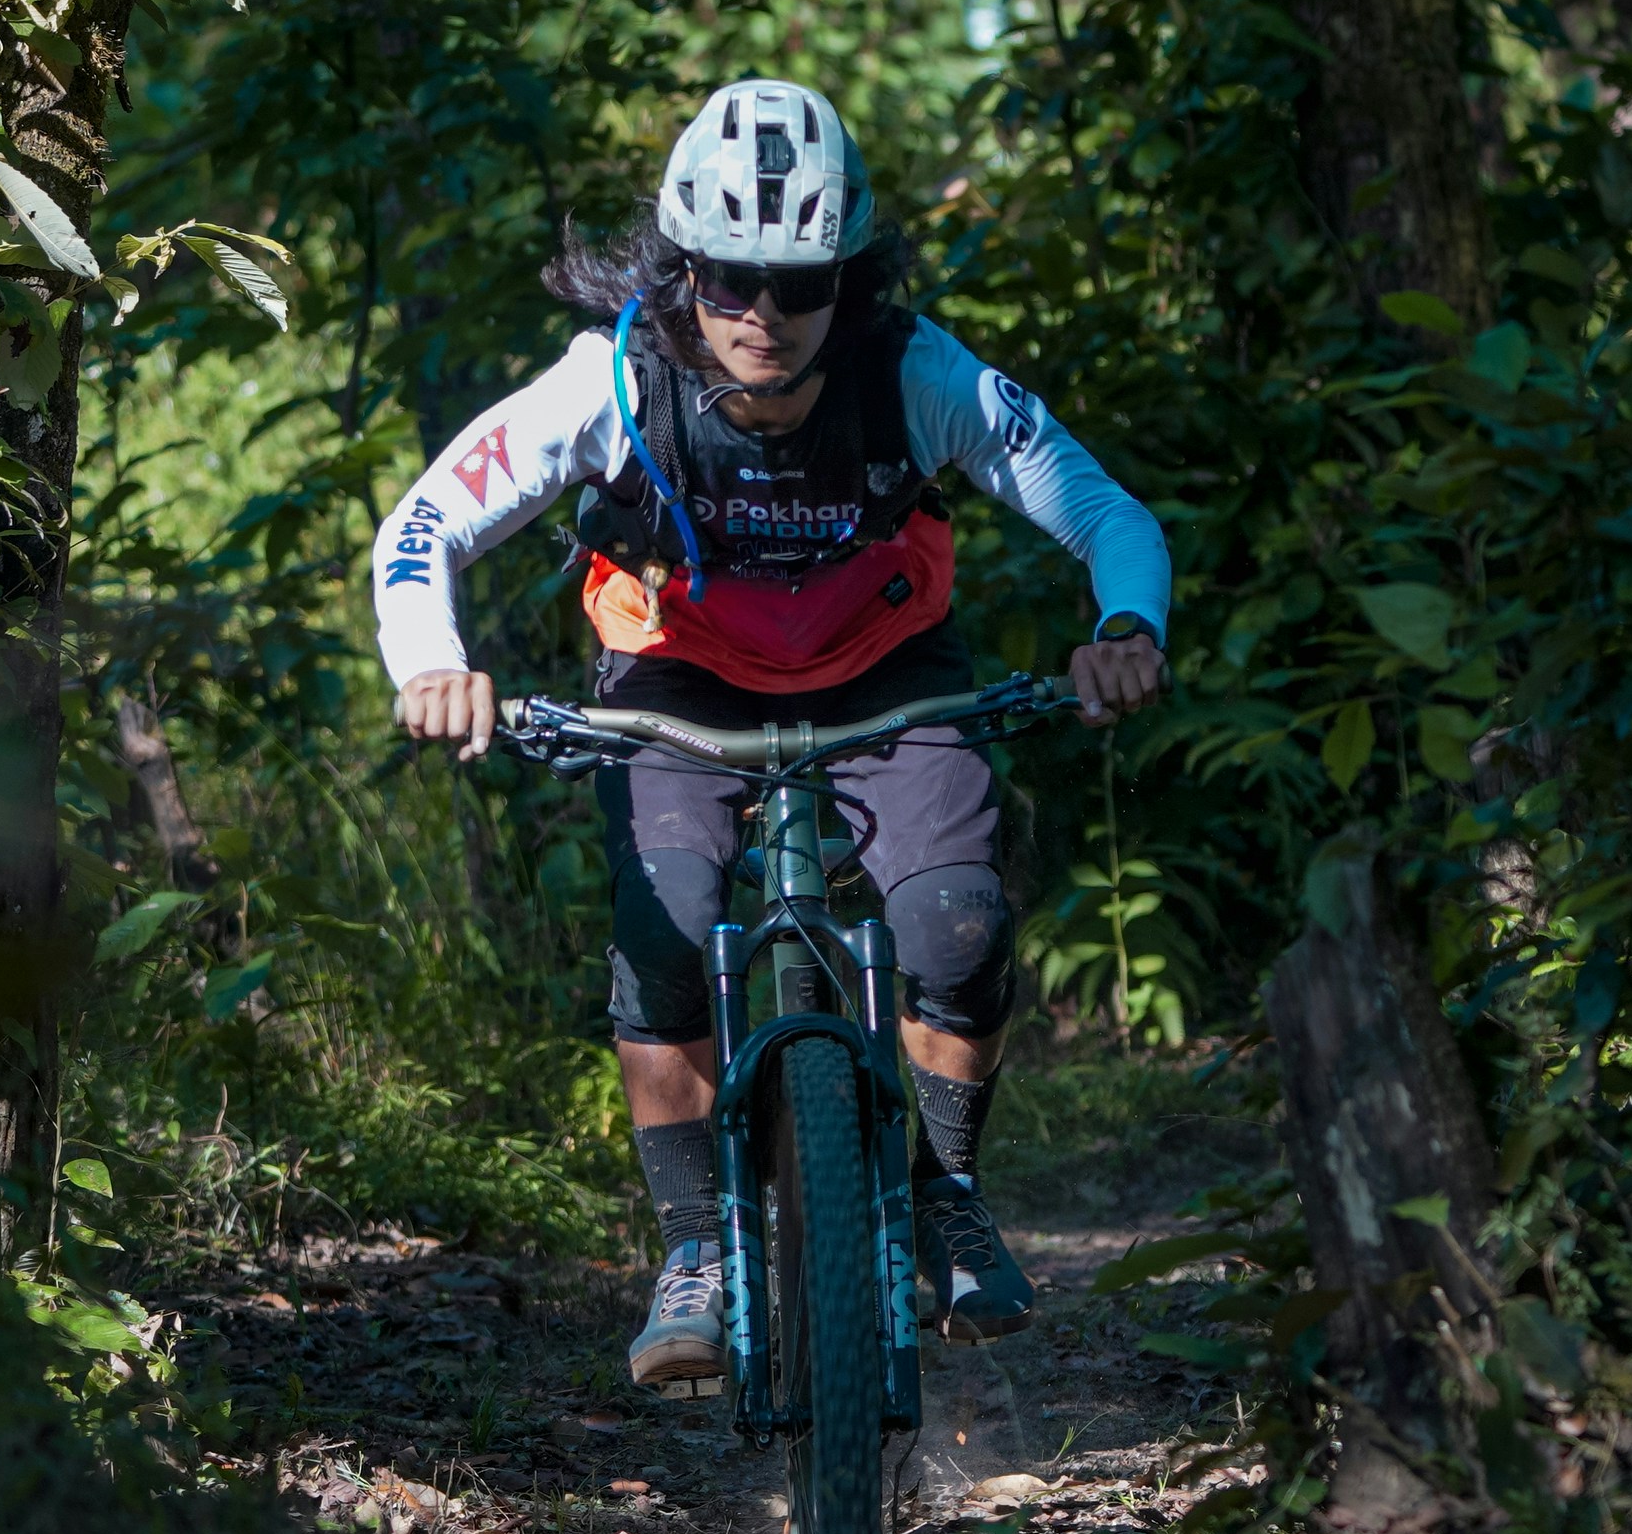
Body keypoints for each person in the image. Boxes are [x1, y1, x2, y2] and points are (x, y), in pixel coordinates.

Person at [369, 76, 1174, 1392]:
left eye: (797, 285)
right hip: (677, 688)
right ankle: (695, 1246)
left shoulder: (916, 373)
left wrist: (1127, 628)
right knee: (666, 929)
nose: (760, 314)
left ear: (844, 281)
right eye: (728, 279)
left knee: (955, 923)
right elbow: (423, 525)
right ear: (681, 271)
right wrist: (432, 664)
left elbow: (1102, 509)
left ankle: (946, 1191)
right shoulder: (611, 383)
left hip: (888, 680)